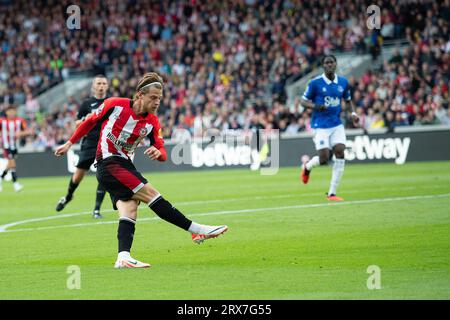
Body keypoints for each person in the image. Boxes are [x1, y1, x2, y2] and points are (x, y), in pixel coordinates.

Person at [55, 72, 228, 268]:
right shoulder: (114, 104)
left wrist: (158, 152)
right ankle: (196, 229)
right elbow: (89, 122)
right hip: (108, 162)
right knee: (152, 194)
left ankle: (123, 257)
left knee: (130, 209)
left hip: (123, 164)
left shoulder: (152, 122)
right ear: (139, 95)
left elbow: (162, 152)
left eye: (160, 99)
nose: (157, 102)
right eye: (153, 97)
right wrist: (69, 143)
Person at [300, 55, 359, 201]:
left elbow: (348, 100)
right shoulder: (315, 83)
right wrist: (316, 106)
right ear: (323, 66)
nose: (330, 65)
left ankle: (332, 193)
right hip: (320, 126)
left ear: (336, 64)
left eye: (332, 62)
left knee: (340, 152)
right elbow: (303, 101)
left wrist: (353, 113)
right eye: (327, 63)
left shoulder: (343, 82)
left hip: (336, 124)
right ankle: (307, 167)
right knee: (324, 158)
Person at [55, 75, 109, 219]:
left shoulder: (111, 103)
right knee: (78, 175)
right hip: (89, 142)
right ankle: (68, 196)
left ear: (107, 86)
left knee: (103, 174)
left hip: (105, 143)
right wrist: (87, 118)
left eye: (104, 83)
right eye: (99, 83)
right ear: (93, 86)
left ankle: (96, 210)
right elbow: (77, 123)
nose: (101, 86)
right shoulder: (87, 103)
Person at [0, 105, 31, 192]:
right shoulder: (2, 121)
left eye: (13, 111)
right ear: (6, 112)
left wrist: (21, 133)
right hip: (6, 145)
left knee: (9, 165)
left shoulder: (20, 121)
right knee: (12, 164)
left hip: (15, 146)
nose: (12, 113)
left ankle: (0, 178)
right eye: (10, 111)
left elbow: (27, 131)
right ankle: (15, 184)